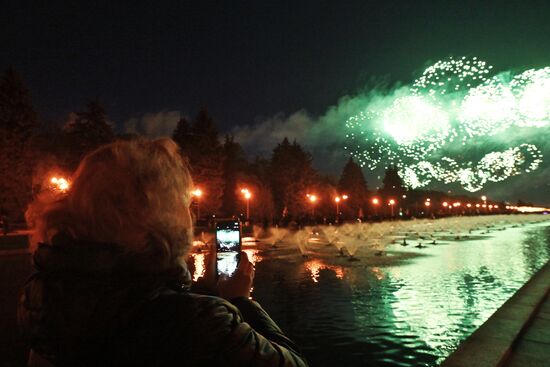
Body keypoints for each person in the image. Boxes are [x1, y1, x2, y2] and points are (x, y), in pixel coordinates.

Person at [18, 138, 308, 367]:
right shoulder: (195, 323)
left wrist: (205, 289)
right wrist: (239, 301)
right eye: (181, 199)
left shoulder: (47, 298)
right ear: (160, 214)